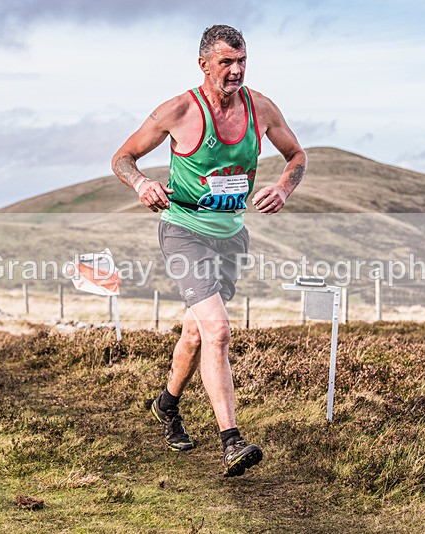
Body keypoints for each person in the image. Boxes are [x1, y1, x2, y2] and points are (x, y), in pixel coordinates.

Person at [111, 24, 306, 477]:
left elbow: (297, 155)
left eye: (242, 61)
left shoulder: (261, 107)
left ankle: (166, 404)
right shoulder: (179, 111)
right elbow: (122, 157)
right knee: (218, 330)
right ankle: (231, 441)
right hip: (184, 231)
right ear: (204, 65)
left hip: (231, 237)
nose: (236, 70)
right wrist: (141, 183)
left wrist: (282, 189)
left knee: (197, 334)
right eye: (226, 62)